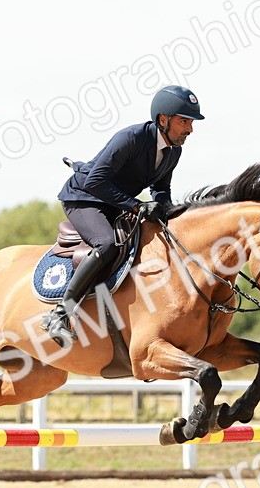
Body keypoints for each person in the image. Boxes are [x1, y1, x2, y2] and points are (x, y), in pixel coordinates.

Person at [42, 84, 205, 346]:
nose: (190, 129)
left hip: (115, 203)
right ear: (163, 120)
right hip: (83, 198)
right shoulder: (130, 138)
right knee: (106, 244)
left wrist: (168, 211)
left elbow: (161, 189)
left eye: (191, 122)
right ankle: (60, 313)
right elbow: (96, 181)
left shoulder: (174, 151)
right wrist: (137, 206)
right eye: (184, 121)